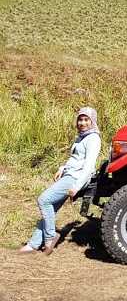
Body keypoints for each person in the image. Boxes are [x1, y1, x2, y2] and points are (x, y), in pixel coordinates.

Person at [19, 107, 101, 255]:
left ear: (92, 121)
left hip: (76, 178)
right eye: (80, 119)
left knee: (43, 200)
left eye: (86, 120)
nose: (82, 123)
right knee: (50, 208)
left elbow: (88, 166)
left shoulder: (93, 138)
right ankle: (34, 244)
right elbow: (75, 158)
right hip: (69, 174)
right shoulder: (81, 137)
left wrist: (76, 187)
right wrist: (62, 167)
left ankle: (51, 237)